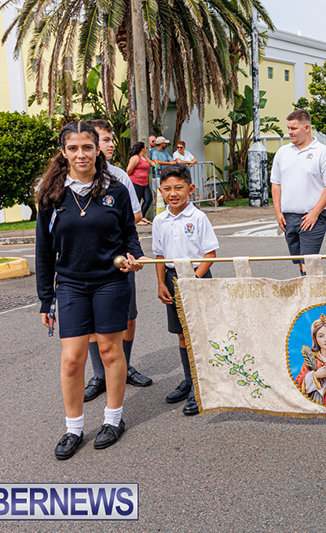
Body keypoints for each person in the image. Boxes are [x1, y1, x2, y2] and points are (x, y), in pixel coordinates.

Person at [36, 121, 145, 460]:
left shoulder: (117, 189)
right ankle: (74, 428)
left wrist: (134, 257)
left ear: (98, 149)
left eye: (87, 147)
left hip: (110, 282)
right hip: (70, 284)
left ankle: (113, 420)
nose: (80, 154)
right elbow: (43, 250)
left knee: (112, 353)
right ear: (64, 151)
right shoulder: (52, 194)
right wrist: (45, 299)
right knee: (72, 360)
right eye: (73, 148)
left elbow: (130, 235)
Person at [81, 120, 152, 405]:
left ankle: (123, 367)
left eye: (110, 140)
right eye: (106, 140)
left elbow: (134, 216)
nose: (111, 145)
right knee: (91, 325)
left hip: (120, 259)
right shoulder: (74, 177)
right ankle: (99, 375)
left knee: (128, 316)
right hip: (87, 265)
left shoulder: (119, 176)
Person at [152, 164, 219, 416]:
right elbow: (159, 255)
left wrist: (191, 280)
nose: (173, 193)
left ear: (190, 189)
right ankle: (189, 379)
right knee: (182, 334)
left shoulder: (198, 218)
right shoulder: (160, 220)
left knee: (199, 333)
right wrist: (161, 283)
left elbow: (210, 255)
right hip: (172, 278)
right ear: (160, 191)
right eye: (167, 189)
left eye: (179, 188)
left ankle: (201, 386)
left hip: (197, 278)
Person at [270, 109, 326, 276]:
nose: (290, 132)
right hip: (288, 216)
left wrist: (315, 213)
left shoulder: (322, 153)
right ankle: (307, 289)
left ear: (306, 127)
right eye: (288, 128)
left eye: (294, 128)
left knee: (309, 260)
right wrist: (278, 211)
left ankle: (313, 295)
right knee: (300, 260)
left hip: (312, 216)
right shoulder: (282, 153)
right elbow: (276, 183)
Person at [126, 142, 154, 225]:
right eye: (146, 147)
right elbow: (128, 170)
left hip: (144, 183)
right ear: (142, 149)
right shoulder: (135, 158)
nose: (147, 149)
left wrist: (156, 165)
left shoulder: (144, 157)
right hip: (135, 182)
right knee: (136, 201)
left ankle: (141, 217)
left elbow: (151, 163)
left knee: (148, 199)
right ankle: (136, 220)